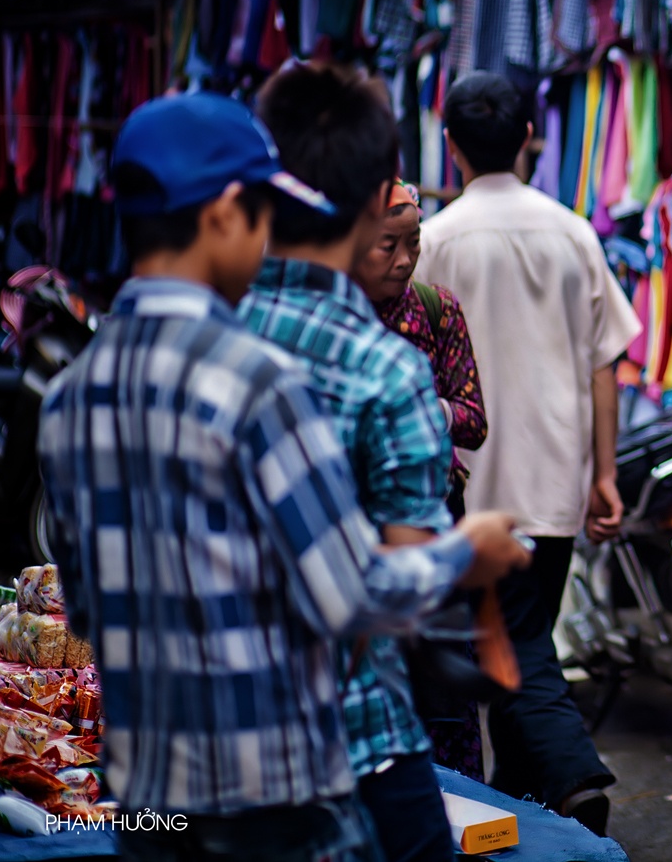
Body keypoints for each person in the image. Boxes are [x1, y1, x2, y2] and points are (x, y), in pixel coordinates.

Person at [38, 93, 530, 862]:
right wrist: (468, 550)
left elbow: (90, 612)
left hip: (145, 797)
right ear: (230, 213)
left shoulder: (69, 397)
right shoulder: (255, 381)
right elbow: (351, 593)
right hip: (274, 798)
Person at [239, 62, 465, 862]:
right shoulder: (383, 370)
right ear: (377, 195)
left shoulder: (192, 339)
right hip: (353, 735)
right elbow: (404, 593)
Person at [418, 73, 639, 834]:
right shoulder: (572, 231)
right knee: (521, 639)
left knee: (514, 651)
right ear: (529, 139)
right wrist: (604, 472)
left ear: (449, 147)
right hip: (555, 477)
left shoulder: (434, 239)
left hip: (469, 486)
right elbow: (604, 360)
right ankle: (538, 802)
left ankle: (569, 777)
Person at [353, 178, 491, 778]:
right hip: (356, 540)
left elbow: (474, 420)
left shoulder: (437, 309)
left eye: (413, 243)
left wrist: (424, 410)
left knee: (445, 699)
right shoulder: (332, 321)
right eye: (389, 245)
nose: (405, 260)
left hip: (434, 530)